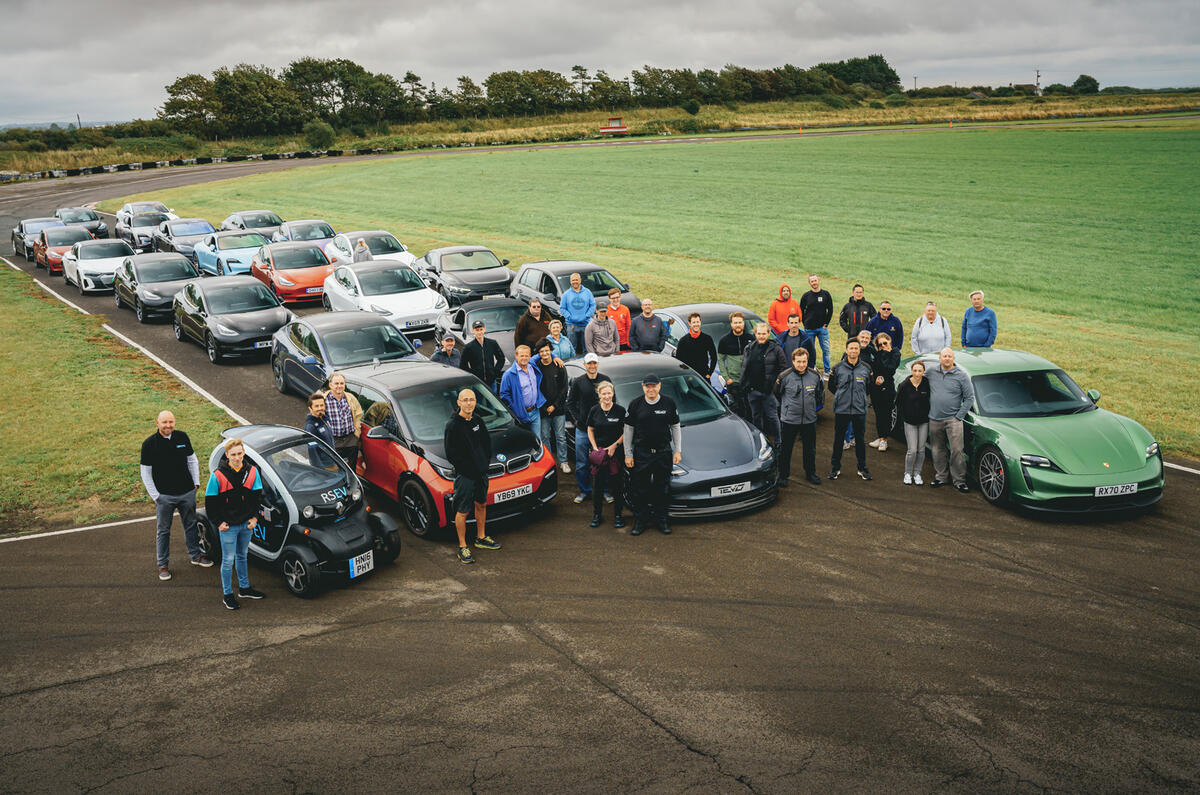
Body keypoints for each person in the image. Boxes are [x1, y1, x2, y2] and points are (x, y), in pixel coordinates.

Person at [140, 410, 208, 580]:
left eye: (171, 422)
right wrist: (156, 496)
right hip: (164, 497)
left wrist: (196, 483)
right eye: (164, 422)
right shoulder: (149, 444)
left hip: (187, 493)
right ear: (157, 423)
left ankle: (196, 556)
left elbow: (192, 460)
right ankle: (163, 565)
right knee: (163, 531)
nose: (168, 425)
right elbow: (145, 473)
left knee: (191, 525)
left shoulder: (182, 437)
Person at [204, 438, 266, 610]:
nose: (237, 457)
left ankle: (245, 589)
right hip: (228, 526)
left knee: (242, 556)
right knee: (228, 560)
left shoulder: (253, 472)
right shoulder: (218, 475)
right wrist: (218, 523)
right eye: (233, 455)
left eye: (239, 454)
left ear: (244, 453)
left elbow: (257, 498)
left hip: (246, 524)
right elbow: (210, 502)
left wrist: (255, 518)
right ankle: (228, 594)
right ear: (227, 455)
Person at [443, 388, 502, 564]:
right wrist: (468, 470)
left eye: (472, 400)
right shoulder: (452, 426)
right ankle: (462, 546)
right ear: (459, 403)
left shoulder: (478, 421)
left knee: (481, 504)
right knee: (462, 511)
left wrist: (484, 464)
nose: (469, 403)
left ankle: (481, 537)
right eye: (465, 400)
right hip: (466, 476)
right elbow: (452, 455)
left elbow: (486, 444)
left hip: (481, 473)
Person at [623, 374, 681, 535]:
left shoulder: (668, 403)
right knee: (640, 488)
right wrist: (628, 454)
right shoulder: (635, 404)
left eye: (653, 386)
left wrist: (678, 450)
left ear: (659, 386)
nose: (651, 389)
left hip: (663, 452)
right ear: (643, 387)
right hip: (642, 453)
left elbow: (676, 426)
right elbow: (628, 430)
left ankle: (661, 520)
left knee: (662, 488)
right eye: (647, 386)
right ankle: (640, 520)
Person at [927, 347, 973, 492]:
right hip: (934, 419)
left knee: (957, 451)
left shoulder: (962, 375)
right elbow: (916, 380)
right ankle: (941, 477)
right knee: (937, 450)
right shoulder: (931, 372)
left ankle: (959, 481)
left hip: (953, 420)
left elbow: (969, 398)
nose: (947, 358)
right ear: (940, 358)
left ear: (953, 358)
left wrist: (959, 416)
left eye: (949, 356)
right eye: (944, 356)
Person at [775, 348, 823, 486]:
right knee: (785, 449)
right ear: (793, 361)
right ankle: (783, 475)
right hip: (790, 420)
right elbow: (777, 393)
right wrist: (786, 409)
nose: (801, 365)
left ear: (807, 361)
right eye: (799, 362)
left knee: (810, 449)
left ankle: (810, 473)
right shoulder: (784, 377)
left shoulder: (815, 376)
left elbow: (819, 395)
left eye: (804, 361)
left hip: (809, 420)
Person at [827, 339, 872, 481]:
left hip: (859, 410)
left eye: (856, 348)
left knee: (860, 440)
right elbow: (832, 387)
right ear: (846, 350)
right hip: (842, 409)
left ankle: (862, 468)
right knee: (838, 439)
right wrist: (842, 397)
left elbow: (868, 388)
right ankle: (835, 468)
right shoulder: (837, 368)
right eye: (851, 348)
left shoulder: (866, 368)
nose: (853, 351)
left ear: (859, 350)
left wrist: (859, 398)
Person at [740, 322, 787, 448]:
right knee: (756, 417)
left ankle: (778, 440)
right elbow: (744, 368)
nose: (761, 336)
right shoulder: (749, 348)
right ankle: (761, 440)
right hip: (752, 391)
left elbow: (783, 369)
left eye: (764, 334)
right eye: (759, 334)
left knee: (772, 417)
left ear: (768, 334)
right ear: (755, 334)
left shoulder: (776, 349)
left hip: (768, 392)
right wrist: (744, 385)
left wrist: (775, 387)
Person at [567, 353, 607, 503]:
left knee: (603, 462)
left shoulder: (605, 380)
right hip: (583, 430)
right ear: (584, 365)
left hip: (601, 430)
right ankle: (585, 491)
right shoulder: (578, 382)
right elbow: (570, 403)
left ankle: (605, 491)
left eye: (594, 363)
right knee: (582, 463)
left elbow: (612, 401)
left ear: (597, 364)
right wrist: (578, 420)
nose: (592, 366)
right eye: (589, 363)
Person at [586, 381, 627, 528]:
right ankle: (597, 515)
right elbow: (590, 429)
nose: (607, 396)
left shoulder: (620, 411)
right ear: (599, 395)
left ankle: (618, 515)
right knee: (597, 486)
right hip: (599, 455)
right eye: (604, 393)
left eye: (609, 393)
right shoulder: (594, 410)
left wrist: (615, 445)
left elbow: (626, 432)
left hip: (615, 453)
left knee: (617, 486)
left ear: (613, 393)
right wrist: (595, 447)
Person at [534, 338, 571, 474]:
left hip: (558, 409)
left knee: (560, 436)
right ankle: (549, 463)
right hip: (542, 409)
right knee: (545, 437)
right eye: (541, 351)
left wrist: (554, 406)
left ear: (551, 351)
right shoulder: (535, 366)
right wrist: (544, 407)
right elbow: (535, 389)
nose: (544, 353)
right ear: (539, 353)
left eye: (547, 351)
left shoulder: (559, 366)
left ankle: (563, 461)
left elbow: (564, 389)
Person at [895, 360, 931, 485]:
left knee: (921, 450)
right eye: (915, 370)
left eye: (920, 371)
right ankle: (908, 473)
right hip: (910, 422)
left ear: (923, 371)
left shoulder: (926, 383)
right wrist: (905, 415)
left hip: (923, 422)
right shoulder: (904, 385)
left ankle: (917, 473)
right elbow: (898, 403)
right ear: (911, 371)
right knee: (912, 450)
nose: (917, 373)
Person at [499, 344, 545, 439]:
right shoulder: (508, 375)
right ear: (516, 356)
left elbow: (541, 354)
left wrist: (555, 357)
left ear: (530, 356)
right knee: (524, 441)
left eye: (526, 355)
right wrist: (516, 408)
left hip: (535, 411)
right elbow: (504, 395)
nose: (524, 358)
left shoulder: (531, 365)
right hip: (521, 414)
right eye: (521, 356)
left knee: (538, 439)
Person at [717, 311, 753, 417]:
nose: (738, 325)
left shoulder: (751, 338)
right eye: (735, 322)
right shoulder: (724, 340)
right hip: (734, 382)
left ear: (743, 323)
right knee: (737, 411)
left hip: (749, 382)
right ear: (731, 324)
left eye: (740, 322)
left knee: (751, 409)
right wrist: (727, 378)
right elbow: (720, 360)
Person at [868, 332, 900, 451]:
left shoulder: (895, 352)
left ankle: (884, 440)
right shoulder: (878, 353)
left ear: (889, 341)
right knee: (878, 413)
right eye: (880, 344)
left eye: (884, 343)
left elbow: (890, 368)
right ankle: (880, 437)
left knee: (886, 414)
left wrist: (885, 353)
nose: (883, 346)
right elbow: (875, 367)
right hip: (876, 387)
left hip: (887, 388)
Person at [324, 373, 362, 467]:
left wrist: (356, 435)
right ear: (330, 385)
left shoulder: (350, 398)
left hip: (350, 440)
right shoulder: (323, 400)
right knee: (335, 468)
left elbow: (358, 415)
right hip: (334, 441)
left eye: (342, 383)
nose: (339, 386)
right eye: (336, 383)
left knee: (351, 468)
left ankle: (351, 481)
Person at [799, 274, 834, 376]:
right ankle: (811, 369)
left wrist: (826, 324)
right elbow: (801, 310)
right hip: (809, 329)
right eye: (812, 281)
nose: (814, 283)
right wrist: (805, 323)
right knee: (810, 351)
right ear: (809, 283)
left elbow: (830, 310)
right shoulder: (806, 296)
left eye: (815, 280)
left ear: (819, 281)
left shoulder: (826, 294)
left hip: (822, 329)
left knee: (826, 350)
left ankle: (827, 370)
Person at [460, 319, 505, 392]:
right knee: (479, 402)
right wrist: (474, 375)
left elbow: (501, 358)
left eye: (481, 329)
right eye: (477, 330)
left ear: (484, 329)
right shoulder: (468, 347)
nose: (479, 332)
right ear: (473, 331)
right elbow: (463, 365)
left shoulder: (492, 343)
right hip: (477, 383)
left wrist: (495, 372)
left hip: (491, 381)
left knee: (492, 401)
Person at [672, 311, 717, 379]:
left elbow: (714, 357)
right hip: (689, 377)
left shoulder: (707, 338)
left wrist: (709, 373)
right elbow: (679, 362)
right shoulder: (683, 341)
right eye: (694, 322)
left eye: (697, 322)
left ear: (700, 322)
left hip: (704, 376)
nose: (696, 324)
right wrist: (686, 375)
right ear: (689, 323)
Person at [560, 272, 595, 354]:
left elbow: (592, 305)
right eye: (573, 280)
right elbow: (562, 308)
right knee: (572, 348)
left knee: (586, 348)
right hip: (571, 325)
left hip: (585, 324)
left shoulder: (587, 292)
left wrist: (586, 316)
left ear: (580, 280)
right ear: (570, 281)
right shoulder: (566, 294)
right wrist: (570, 317)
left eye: (576, 280)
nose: (575, 282)